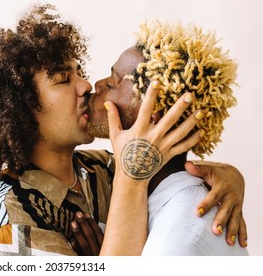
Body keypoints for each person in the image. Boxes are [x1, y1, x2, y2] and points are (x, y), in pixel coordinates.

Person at [0, 4, 246, 256]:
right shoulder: (8, 217)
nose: (86, 86)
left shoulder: (102, 169)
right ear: (21, 108)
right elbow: (138, 171)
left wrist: (228, 175)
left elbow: (164, 171)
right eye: (63, 79)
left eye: (81, 73)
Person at [82, 20, 248, 255]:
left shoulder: (176, 237)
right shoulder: (162, 199)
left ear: (156, 115)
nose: (96, 86)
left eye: (113, 82)